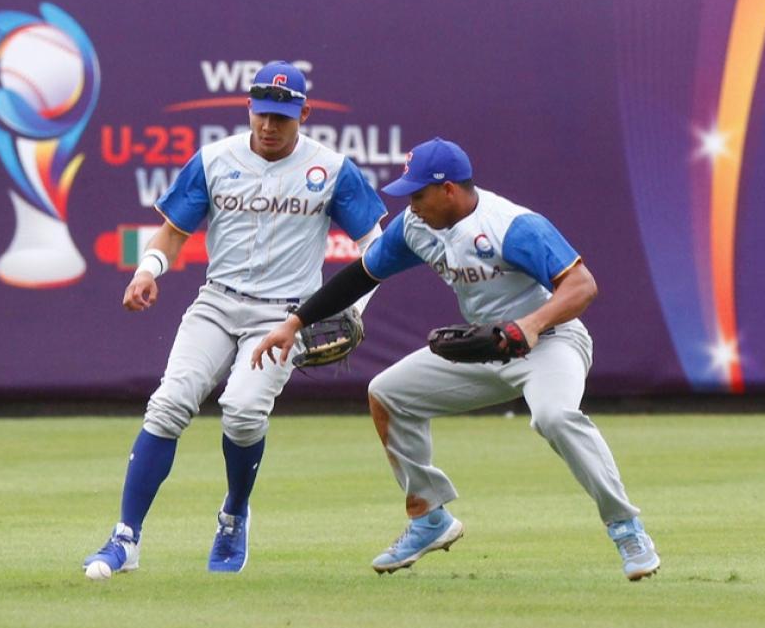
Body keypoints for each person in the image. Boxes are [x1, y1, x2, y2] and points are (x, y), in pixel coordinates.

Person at [252, 137, 661, 581]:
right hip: (484, 346)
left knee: (555, 416)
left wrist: (533, 323)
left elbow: (582, 286)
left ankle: (625, 527)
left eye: (418, 193)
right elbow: (360, 275)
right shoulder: (416, 226)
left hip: (551, 342)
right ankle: (429, 517)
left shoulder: (512, 225)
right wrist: (295, 322)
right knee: (388, 394)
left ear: (448, 190)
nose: (411, 203)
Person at [82, 61, 388, 579]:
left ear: (305, 114)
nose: (269, 126)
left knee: (243, 412)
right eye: (262, 114)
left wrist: (351, 307)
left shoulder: (333, 169)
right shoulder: (214, 159)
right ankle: (125, 539)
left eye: (282, 117)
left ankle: (233, 515)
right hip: (217, 302)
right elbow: (174, 231)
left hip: (284, 314)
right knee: (168, 404)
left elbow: (375, 246)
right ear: (248, 108)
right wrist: (147, 270)